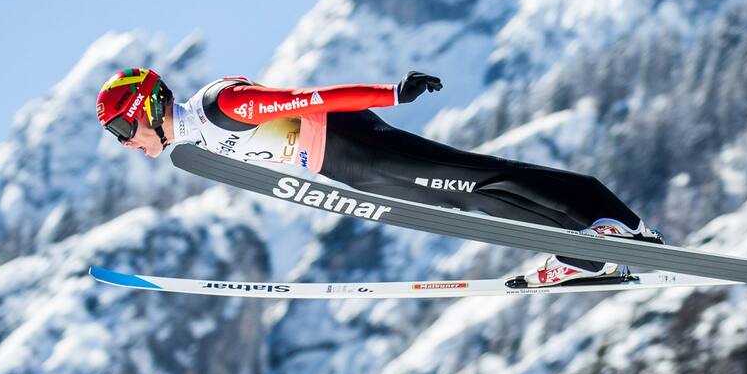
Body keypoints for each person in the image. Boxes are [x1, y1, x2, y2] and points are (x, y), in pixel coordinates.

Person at [95, 68, 664, 287]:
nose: (129, 145)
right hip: (345, 169)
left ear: (145, 107)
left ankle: (607, 217)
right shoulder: (199, 136)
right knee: (476, 202)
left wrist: (391, 93)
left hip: (353, 144)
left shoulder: (222, 107)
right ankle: (585, 251)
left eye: (124, 131)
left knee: (475, 177)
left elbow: (307, 99)